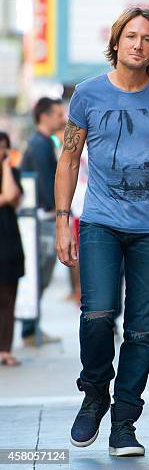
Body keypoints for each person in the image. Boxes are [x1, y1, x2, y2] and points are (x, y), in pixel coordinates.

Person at [54, 7, 149, 457]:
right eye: (131, 36)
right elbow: (69, 159)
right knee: (97, 316)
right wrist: (63, 220)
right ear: (116, 42)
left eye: (147, 38)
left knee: (141, 331)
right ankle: (95, 390)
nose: (138, 44)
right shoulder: (87, 95)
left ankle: (124, 422)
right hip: (99, 221)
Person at [20, 97, 65, 345]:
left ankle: (31, 326)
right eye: (58, 114)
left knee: (41, 274)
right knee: (39, 274)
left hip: (42, 217)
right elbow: (48, 183)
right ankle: (29, 328)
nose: (62, 119)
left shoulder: (43, 143)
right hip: (42, 218)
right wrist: (60, 213)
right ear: (44, 116)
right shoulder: (40, 144)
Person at [0, 132, 24, 366]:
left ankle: (5, 349)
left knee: (8, 301)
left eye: (3, 149)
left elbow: (12, 196)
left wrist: (7, 167)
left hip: (8, 245)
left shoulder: (12, 174)